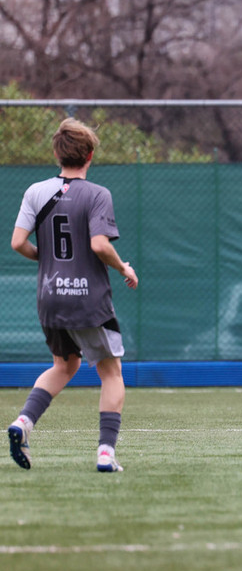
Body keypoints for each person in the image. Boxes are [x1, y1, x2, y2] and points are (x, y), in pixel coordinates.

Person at [8, 118, 139, 472]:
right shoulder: (98, 195)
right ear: (90, 155)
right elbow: (99, 245)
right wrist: (124, 268)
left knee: (64, 365)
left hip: (50, 296)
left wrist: (47, 259)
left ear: (56, 154)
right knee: (111, 373)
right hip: (87, 299)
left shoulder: (35, 191)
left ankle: (23, 422)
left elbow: (18, 242)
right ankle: (106, 454)